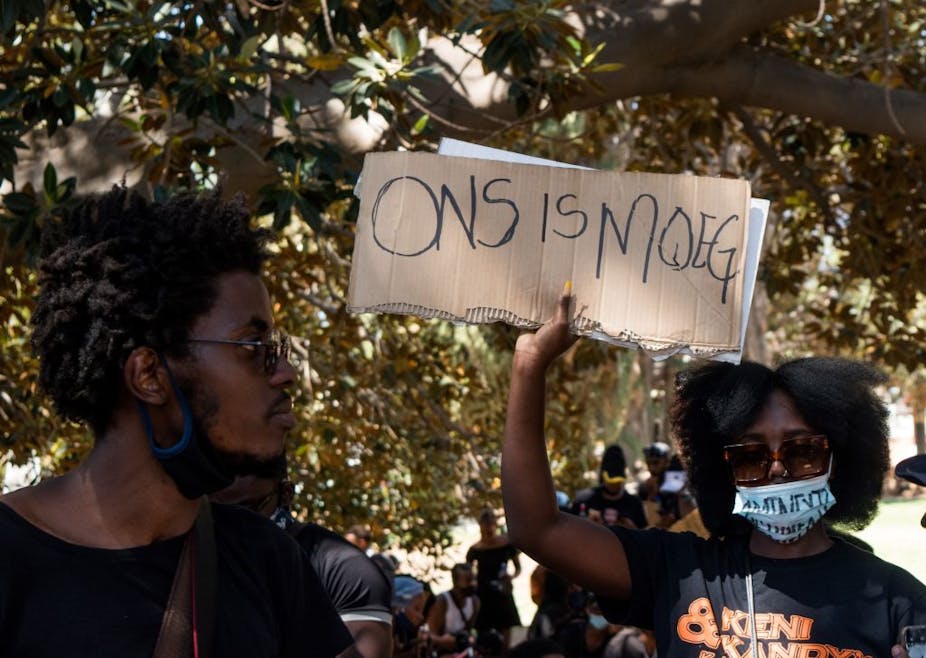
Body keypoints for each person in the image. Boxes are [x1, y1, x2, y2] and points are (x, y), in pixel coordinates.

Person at [0, 188, 354, 657]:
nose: (286, 373)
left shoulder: (265, 557)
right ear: (149, 375)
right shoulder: (9, 556)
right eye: (253, 347)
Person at [502, 290, 926, 655]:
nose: (777, 470)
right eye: (752, 457)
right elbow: (536, 528)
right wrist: (530, 364)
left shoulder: (896, 599)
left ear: (839, 458)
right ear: (725, 469)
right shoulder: (680, 571)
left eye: (801, 451)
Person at [211, 469, 394, 657]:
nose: (234, 524)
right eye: (216, 511)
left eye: (247, 508)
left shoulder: (347, 570)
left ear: (286, 494)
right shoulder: (203, 558)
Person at [466, 507, 522, 649]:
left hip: (502, 590)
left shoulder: (507, 544)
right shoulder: (475, 550)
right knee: (483, 631)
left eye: (490, 529)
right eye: (484, 530)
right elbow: (467, 571)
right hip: (483, 592)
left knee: (506, 628)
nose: (488, 533)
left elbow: (518, 568)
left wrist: (511, 577)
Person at [570, 444, 647, 529]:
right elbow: (569, 531)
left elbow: (645, 535)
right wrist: (588, 526)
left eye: (617, 481)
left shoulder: (634, 504)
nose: (614, 485)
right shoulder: (584, 500)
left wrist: (632, 531)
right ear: (603, 476)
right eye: (611, 480)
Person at [425, 563, 481, 655]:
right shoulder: (442, 601)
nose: (473, 584)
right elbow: (430, 636)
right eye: (468, 580)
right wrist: (443, 641)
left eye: (474, 579)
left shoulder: (475, 602)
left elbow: (471, 630)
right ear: (456, 582)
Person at [391, 575, 432, 658]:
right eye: (417, 609)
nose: (421, 617)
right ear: (398, 604)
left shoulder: (402, 633)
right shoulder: (383, 631)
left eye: (422, 611)